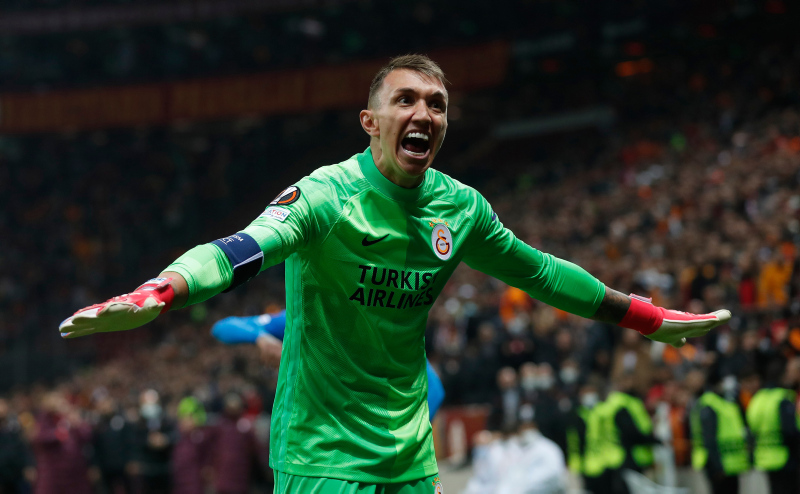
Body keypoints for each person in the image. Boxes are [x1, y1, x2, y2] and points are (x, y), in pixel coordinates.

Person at [60, 54, 731, 493]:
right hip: (322, 455)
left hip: (409, 457)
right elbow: (241, 249)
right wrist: (162, 291)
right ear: (370, 122)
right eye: (405, 100)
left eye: (436, 104)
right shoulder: (326, 196)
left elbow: (544, 274)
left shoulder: (461, 209)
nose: (423, 114)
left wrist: (645, 316)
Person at [210, 310, 446, 418]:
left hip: (377, 445)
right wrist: (260, 337)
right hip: (325, 446)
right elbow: (222, 327)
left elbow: (434, 389)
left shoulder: (375, 324)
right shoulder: (304, 315)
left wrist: (403, 442)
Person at [690, 373, 750, 494]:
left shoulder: (725, 402)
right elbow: (709, 439)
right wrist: (717, 466)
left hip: (730, 463)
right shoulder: (710, 404)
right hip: (717, 464)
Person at [745, 360, 799, 494]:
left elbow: (751, 427)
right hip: (785, 458)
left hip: (764, 457)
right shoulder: (783, 397)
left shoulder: (757, 398)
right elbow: (790, 431)